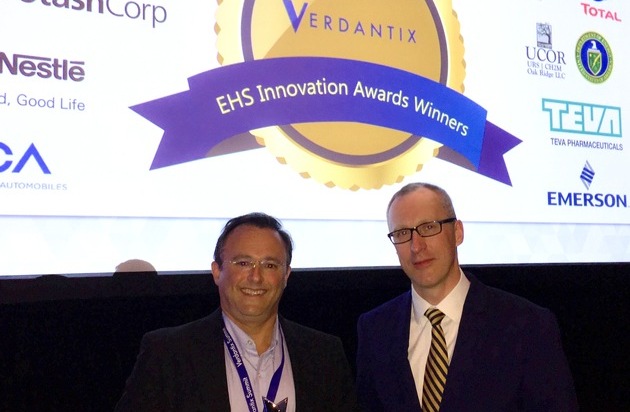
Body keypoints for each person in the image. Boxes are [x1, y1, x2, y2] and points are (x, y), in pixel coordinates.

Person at [356, 182, 579, 411]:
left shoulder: (528, 325)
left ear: (457, 233)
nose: (416, 246)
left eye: (428, 227)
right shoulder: (375, 330)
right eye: (402, 233)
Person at [115, 212, 359, 411]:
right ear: (217, 272)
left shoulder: (324, 354)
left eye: (270, 265)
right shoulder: (167, 354)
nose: (256, 276)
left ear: (286, 275)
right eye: (243, 263)